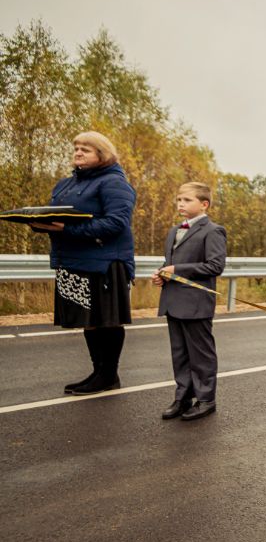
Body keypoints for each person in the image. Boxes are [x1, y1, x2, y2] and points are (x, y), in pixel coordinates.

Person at [30, 132, 136, 395]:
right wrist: (39, 224)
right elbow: (58, 219)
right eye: (76, 148)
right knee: (88, 321)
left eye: (86, 149)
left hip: (104, 262)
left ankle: (109, 375)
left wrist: (64, 229)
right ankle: (97, 372)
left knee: (106, 321)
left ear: (103, 154)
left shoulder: (114, 183)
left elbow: (115, 223)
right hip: (72, 261)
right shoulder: (65, 184)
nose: (78, 152)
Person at [151, 182, 227, 421]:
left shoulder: (213, 230)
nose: (180, 204)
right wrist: (162, 274)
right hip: (173, 301)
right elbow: (170, 263)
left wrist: (178, 269)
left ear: (204, 204)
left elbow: (215, 266)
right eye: (178, 200)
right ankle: (182, 397)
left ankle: (206, 399)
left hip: (196, 303)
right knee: (180, 353)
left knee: (201, 354)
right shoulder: (174, 231)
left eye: (186, 200)